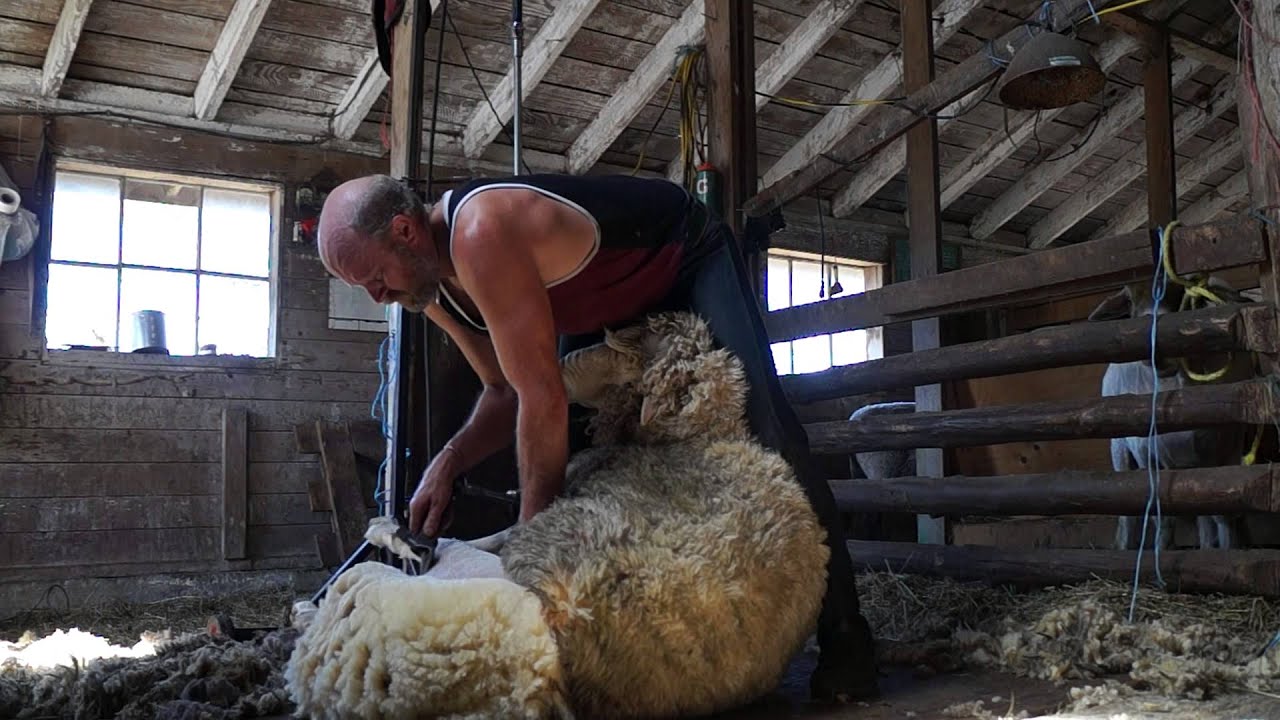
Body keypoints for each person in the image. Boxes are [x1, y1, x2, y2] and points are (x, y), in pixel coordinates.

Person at [315, 172, 879, 701]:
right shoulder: (433, 291)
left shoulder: (481, 230)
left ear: (405, 231)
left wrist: (531, 554)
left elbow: (540, 399)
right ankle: (618, 648)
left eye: (375, 278)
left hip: (679, 255)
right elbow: (502, 393)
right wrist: (449, 461)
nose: (377, 297)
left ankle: (847, 636)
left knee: (769, 427)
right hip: (592, 303)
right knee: (589, 457)